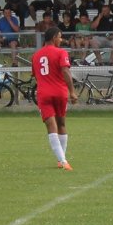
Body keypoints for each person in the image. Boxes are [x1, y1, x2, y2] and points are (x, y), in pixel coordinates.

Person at [32, 26, 77, 171]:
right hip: (60, 92)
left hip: (44, 94)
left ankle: (62, 160)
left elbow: (36, 75)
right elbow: (65, 71)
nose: (61, 39)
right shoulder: (61, 52)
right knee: (61, 124)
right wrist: (72, 91)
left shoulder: (36, 56)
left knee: (51, 126)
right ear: (53, 38)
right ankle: (62, 160)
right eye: (60, 36)